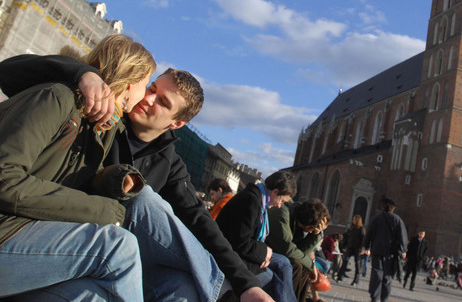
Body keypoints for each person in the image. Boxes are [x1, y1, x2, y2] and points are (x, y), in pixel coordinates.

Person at [0, 53, 275, 302]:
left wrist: (246, 283)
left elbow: (199, 219)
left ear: (177, 123)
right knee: (142, 200)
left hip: (91, 246)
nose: (148, 99)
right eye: (152, 88)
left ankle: (225, 290)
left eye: (162, 102)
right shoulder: (105, 112)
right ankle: (221, 293)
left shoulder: (169, 162)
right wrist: (84, 73)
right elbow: (10, 72)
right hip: (65, 234)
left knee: (182, 288)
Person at [0, 35, 156, 301]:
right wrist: (105, 211)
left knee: (91, 296)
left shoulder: (101, 127)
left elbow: (59, 178)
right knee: (118, 245)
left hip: (21, 232)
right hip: (7, 231)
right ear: (130, 84)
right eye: (147, 84)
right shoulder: (56, 98)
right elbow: (6, 180)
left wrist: (109, 179)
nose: (147, 95)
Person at [216, 171, 297, 301]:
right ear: (275, 192)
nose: (279, 205)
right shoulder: (251, 200)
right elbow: (241, 242)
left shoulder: (258, 199)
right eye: (282, 200)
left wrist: (265, 252)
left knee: (284, 263)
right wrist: (264, 252)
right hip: (230, 255)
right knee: (274, 280)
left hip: (243, 251)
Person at [266, 198, 330, 302]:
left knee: (303, 267)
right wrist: (311, 265)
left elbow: (301, 252)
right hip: (265, 250)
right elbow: (288, 250)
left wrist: (316, 235)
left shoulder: (298, 219)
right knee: (296, 265)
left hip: (278, 252)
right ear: (309, 226)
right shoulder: (283, 213)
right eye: (313, 230)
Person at [363, 198, 408, 302]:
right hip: (390, 253)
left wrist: (367, 247)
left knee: (376, 275)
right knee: (387, 277)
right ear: (393, 208)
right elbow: (403, 237)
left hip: (377, 251)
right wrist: (404, 250)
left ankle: (375, 297)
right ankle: (384, 299)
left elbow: (368, 234)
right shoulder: (397, 220)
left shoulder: (376, 218)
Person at [337, 214, 366, 287]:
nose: (353, 221)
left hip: (357, 249)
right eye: (353, 219)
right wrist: (344, 246)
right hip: (350, 247)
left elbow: (363, 240)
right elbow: (347, 237)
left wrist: (362, 249)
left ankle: (356, 281)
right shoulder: (351, 228)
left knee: (357, 264)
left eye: (354, 219)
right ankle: (340, 277)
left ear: (358, 221)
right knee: (345, 260)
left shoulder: (361, 229)